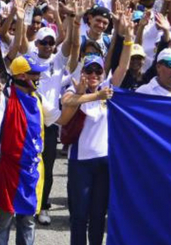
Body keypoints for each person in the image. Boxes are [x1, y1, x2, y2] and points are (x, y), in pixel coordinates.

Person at [0, 54, 59, 245]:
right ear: (22, 76)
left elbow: (60, 119)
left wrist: (83, 95)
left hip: (31, 168)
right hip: (8, 167)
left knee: (28, 220)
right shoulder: (5, 99)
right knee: (3, 220)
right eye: (34, 74)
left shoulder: (38, 98)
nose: (38, 78)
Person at [59, 56, 115, 245]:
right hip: (80, 162)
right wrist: (94, 96)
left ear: (103, 74)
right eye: (88, 70)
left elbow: (122, 66)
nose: (93, 75)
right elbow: (67, 102)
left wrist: (128, 39)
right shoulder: (74, 89)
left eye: (97, 71)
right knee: (79, 215)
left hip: (103, 162)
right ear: (82, 73)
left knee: (98, 215)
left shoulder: (107, 90)